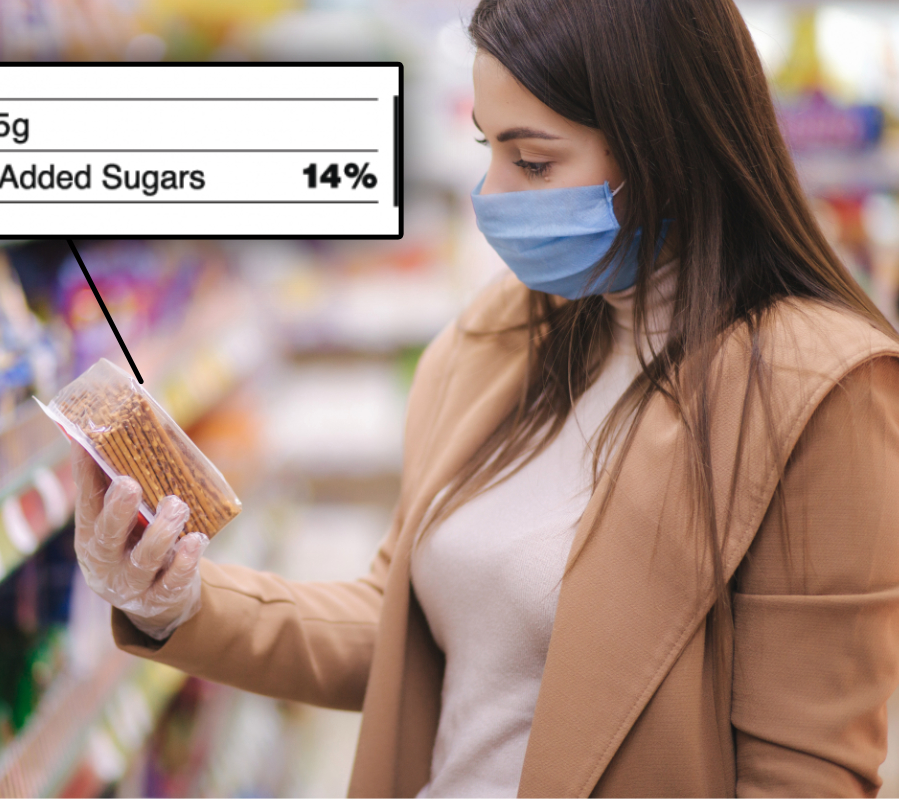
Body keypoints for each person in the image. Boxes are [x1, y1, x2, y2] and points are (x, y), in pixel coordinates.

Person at [70, 0, 899, 795]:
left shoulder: (820, 392)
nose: (492, 195)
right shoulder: (498, 340)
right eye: (488, 148)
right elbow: (402, 628)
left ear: (668, 149)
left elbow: (802, 774)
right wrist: (177, 598)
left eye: (533, 161)